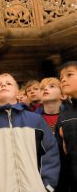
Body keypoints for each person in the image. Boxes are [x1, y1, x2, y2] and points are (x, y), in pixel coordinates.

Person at [0, 73, 60, 192]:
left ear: (18, 93)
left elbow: (50, 152)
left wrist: (48, 185)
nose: (3, 85)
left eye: (8, 83)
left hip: (36, 188)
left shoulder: (35, 120)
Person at [55, 61, 77, 192]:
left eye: (69, 75)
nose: (63, 80)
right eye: (61, 77)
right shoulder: (64, 116)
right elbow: (62, 157)